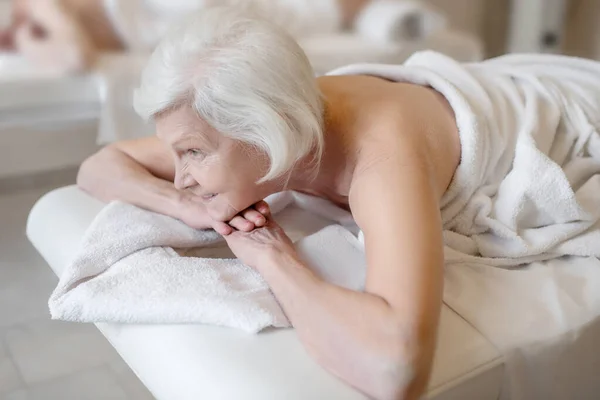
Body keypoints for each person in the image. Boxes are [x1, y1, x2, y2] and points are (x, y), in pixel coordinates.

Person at [77, 7, 459, 399]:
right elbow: (97, 168)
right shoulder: (223, 123)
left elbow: (398, 371)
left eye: (192, 153)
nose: (180, 177)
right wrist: (185, 205)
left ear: (265, 132)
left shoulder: (383, 160)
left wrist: (275, 258)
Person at [0, 0, 373, 73]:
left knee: (286, 13)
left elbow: (74, 56)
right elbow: (72, 59)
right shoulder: (32, 27)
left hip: (162, 13)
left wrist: (29, 30)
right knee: (288, 14)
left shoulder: (34, 9)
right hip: (164, 23)